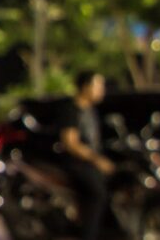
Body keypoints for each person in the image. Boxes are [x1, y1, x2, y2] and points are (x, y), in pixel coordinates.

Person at [59, 72, 113, 240]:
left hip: (90, 163)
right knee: (98, 194)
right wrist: (97, 160)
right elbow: (71, 143)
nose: (101, 90)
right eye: (98, 86)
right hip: (77, 164)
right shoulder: (72, 109)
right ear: (85, 87)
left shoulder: (91, 111)